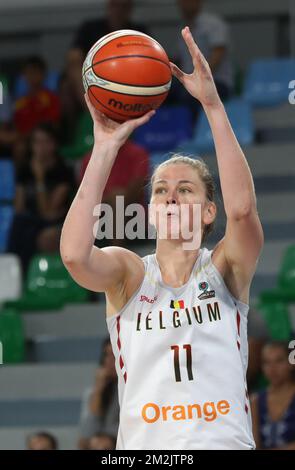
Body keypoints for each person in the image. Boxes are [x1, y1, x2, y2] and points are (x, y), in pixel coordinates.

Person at [60, 27, 264, 450]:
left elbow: (242, 211)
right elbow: (75, 256)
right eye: (160, 190)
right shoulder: (130, 273)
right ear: (150, 212)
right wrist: (104, 149)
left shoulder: (224, 268)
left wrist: (211, 103)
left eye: (185, 189)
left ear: (209, 211)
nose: (170, 195)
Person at [8, 122, 74, 272]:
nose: (41, 147)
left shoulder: (63, 171)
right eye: (37, 142)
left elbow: (47, 212)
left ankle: (23, 275)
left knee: (32, 234)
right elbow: (18, 208)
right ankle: (13, 275)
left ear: (53, 144)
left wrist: (39, 178)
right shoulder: (25, 169)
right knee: (20, 224)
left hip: (57, 224)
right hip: (31, 222)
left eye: (45, 141)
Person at [171, 0, 233, 115]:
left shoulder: (213, 24)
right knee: (162, 92)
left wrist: (201, 77)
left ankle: (192, 132)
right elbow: (178, 60)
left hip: (216, 82)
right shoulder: (181, 27)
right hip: (189, 82)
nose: (185, 4)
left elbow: (218, 54)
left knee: (188, 98)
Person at [250, 342, 295, 450]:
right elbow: (254, 445)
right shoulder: (256, 400)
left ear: (291, 364)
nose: (272, 369)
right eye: (267, 362)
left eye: (279, 361)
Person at [78, 338, 119, 450]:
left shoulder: (136, 391)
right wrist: (98, 390)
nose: (110, 361)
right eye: (106, 355)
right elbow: (87, 434)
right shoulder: (92, 392)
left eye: (115, 354)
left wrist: (107, 438)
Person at [72, 0, 148, 57]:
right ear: (108, 6)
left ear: (130, 9)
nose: (119, 10)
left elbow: (149, 54)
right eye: (115, 5)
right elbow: (74, 56)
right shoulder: (90, 28)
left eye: (124, 6)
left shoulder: (139, 32)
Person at [14, 57, 60, 136]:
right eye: (29, 72)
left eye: (36, 72)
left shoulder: (51, 99)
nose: (32, 77)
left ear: (43, 74)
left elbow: (54, 125)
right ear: (24, 75)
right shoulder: (19, 103)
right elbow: (16, 128)